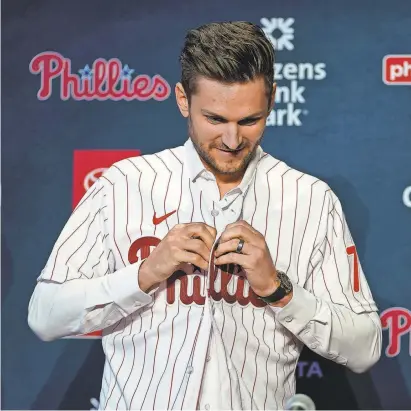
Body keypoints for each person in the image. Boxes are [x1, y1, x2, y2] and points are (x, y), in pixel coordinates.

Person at [28, 21, 382, 411]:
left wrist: (278, 289)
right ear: (183, 100)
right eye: (215, 119)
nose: (232, 140)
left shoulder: (310, 199)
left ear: (273, 100)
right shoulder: (123, 184)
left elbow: (365, 347)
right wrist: (145, 273)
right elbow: (45, 315)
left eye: (249, 120)